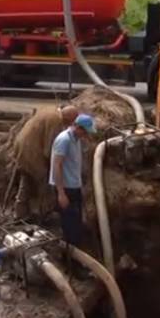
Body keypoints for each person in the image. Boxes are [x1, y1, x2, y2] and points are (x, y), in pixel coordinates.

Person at [13, 104, 79, 220]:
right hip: (32, 152)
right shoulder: (55, 121)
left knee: (26, 180)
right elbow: (49, 150)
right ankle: (45, 213)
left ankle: (20, 212)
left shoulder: (50, 110)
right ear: (68, 118)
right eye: (71, 122)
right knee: (44, 182)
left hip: (22, 148)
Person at [49, 113, 96, 272]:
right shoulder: (64, 140)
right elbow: (57, 166)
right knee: (70, 229)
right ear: (78, 127)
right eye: (85, 131)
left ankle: (73, 261)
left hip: (74, 187)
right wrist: (61, 193)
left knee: (76, 226)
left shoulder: (75, 140)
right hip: (66, 189)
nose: (86, 135)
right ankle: (72, 267)